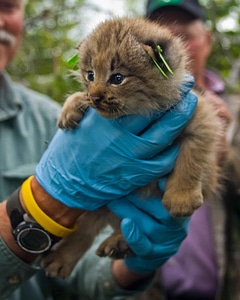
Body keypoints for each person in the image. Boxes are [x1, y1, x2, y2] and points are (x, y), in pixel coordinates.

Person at [0, 1, 198, 299]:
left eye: (8, 6)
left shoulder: (46, 116)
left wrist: (131, 268)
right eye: (89, 77)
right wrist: (40, 205)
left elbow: (75, 275)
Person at [127, 1, 240, 299]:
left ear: (207, 40)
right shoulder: (131, 110)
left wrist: (223, 147)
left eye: (186, 36)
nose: (174, 49)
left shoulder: (235, 112)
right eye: (162, 41)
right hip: (142, 288)